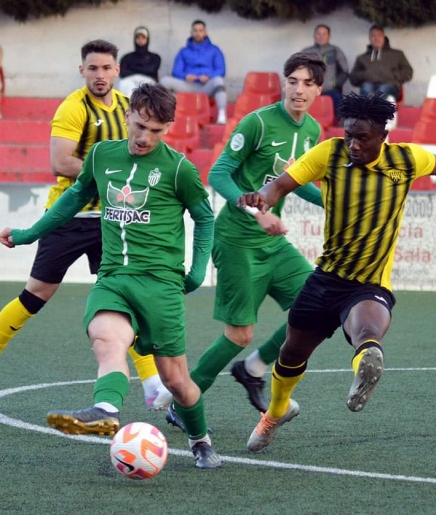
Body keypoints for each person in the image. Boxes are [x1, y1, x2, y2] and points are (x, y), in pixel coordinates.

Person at [237, 92, 436, 452]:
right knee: (291, 353)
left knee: (367, 331)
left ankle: (368, 362)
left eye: (363, 138)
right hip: (326, 278)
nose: (353, 145)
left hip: (370, 282)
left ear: (383, 136)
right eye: (349, 136)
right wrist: (261, 199)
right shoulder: (329, 153)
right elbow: (279, 185)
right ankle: (275, 413)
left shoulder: (406, 159)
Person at [0, 82, 222, 470]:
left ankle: (200, 440)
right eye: (139, 126)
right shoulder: (101, 154)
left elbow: (204, 217)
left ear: (167, 128)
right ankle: (105, 409)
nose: (145, 137)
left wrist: (198, 269)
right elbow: (73, 197)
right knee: (106, 339)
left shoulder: (179, 168)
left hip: (161, 285)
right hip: (114, 277)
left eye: (155, 131)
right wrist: (28, 234)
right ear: (129, 115)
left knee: (176, 381)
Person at [0, 40, 171, 414]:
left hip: (112, 219)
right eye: (93, 68)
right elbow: (59, 162)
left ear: (117, 70)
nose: (100, 75)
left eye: (107, 68)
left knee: (124, 299)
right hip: (69, 216)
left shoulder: (128, 108)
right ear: (82, 71)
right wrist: (111, 174)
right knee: (34, 297)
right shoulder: (72, 108)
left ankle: (153, 383)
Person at [165, 52, 326, 432]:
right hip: (237, 238)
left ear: (318, 89)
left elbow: (296, 183)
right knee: (240, 334)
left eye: (307, 83)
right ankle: (182, 403)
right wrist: (258, 211)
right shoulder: (257, 123)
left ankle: (253, 369)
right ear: (283, 83)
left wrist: (339, 205)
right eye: (293, 81)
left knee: (318, 308)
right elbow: (218, 174)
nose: (299, 90)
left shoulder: (312, 132)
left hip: (272, 244)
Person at [160, 20, 228, 124]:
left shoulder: (214, 50)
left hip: (206, 86)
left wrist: (209, 76)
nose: (198, 33)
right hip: (188, 85)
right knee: (165, 81)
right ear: (191, 32)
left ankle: (222, 115)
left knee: (218, 80)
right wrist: (185, 76)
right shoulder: (184, 51)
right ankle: (166, 115)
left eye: (200, 30)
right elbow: (176, 71)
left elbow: (221, 70)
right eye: (195, 30)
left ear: (205, 32)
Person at [349, 25, 413, 101]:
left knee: (382, 90)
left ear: (383, 37)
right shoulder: (362, 58)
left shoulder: (397, 54)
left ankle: (376, 109)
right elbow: (353, 77)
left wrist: (394, 75)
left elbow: (408, 72)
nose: (376, 38)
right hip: (369, 84)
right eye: (373, 36)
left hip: (389, 85)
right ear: (369, 39)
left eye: (379, 35)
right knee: (366, 88)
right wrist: (365, 74)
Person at [302, 24, 348, 122]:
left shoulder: (335, 51)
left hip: (330, 89)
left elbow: (345, 71)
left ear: (329, 36)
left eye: (324, 34)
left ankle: (336, 127)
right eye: (318, 34)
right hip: (310, 89)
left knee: (337, 98)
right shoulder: (306, 52)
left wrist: (335, 83)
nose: (321, 36)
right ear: (314, 36)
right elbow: (298, 70)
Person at [118, 26, 161, 95]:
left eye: (143, 38)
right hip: (131, 80)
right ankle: (132, 105)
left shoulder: (155, 57)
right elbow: (122, 73)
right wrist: (141, 69)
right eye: (138, 38)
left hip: (148, 81)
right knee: (123, 83)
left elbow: (150, 70)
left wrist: (132, 69)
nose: (140, 40)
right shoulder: (127, 57)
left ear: (147, 39)